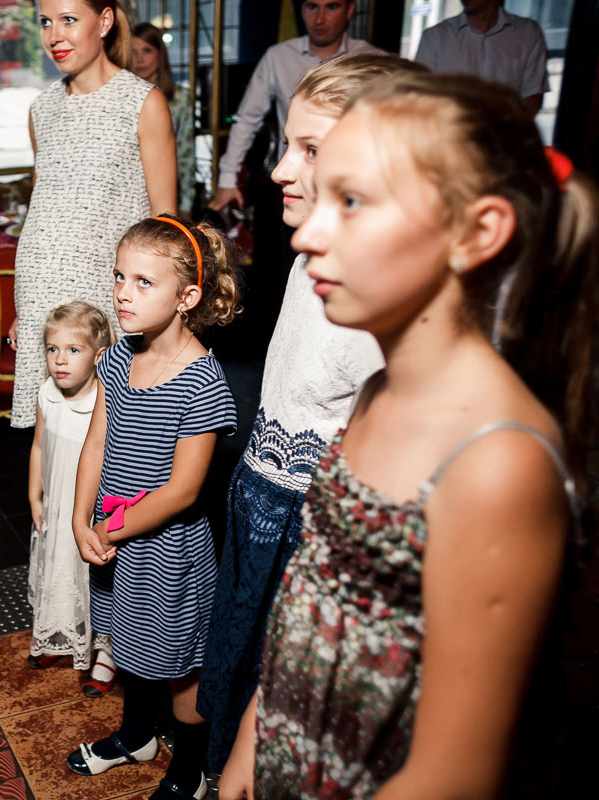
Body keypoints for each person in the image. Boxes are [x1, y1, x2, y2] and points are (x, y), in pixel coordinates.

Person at [218, 73, 596, 799]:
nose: (308, 233)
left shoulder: (498, 462)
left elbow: (454, 774)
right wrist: (253, 735)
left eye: (352, 202)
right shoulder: (374, 394)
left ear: (476, 232)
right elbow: (312, 599)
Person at [195, 53, 425, 775]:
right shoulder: (309, 257)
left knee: (286, 689)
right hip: (258, 492)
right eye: (285, 145)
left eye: (311, 150)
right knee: (237, 656)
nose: (278, 170)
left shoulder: (383, 307)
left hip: (311, 523)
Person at [65, 215, 241, 800]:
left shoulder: (202, 383)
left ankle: (190, 771)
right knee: (130, 642)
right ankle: (136, 736)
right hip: (115, 540)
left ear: (186, 298)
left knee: (180, 665)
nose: (123, 292)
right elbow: (96, 442)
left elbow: (181, 491)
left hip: (167, 552)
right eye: (120, 276)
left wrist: (108, 529)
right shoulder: (117, 358)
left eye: (144, 282)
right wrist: (79, 518)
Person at [9, 0, 177, 428]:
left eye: (69, 20)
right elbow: (46, 205)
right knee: (53, 438)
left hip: (106, 295)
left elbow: (166, 224)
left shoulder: (143, 102)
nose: (54, 36)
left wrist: (161, 315)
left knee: (111, 434)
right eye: (46, 22)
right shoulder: (41, 109)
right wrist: (24, 310)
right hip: (40, 295)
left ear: (104, 22)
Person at [210, 0, 380, 213]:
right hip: (292, 187)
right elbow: (246, 120)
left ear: (350, 10)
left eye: (332, 7)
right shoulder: (278, 57)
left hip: (350, 192)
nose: (319, 19)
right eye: (312, 7)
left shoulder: (373, 61)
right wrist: (227, 179)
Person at [26, 301, 117, 694]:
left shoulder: (103, 401)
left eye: (73, 350)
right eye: (53, 349)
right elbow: (38, 447)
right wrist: (35, 496)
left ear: (98, 355)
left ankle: (107, 652)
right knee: (59, 569)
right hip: (56, 506)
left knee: (95, 580)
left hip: (89, 512)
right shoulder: (47, 393)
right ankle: (59, 631)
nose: (60, 360)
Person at [415, 0, 548, 116]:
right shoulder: (435, 36)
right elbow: (417, 94)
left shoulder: (527, 32)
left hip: (505, 134)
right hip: (450, 133)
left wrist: (510, 131)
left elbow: (533, 94)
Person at [131, 23, 197, 216]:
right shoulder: (120, 98)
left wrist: (186, 205)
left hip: (165, 193)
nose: (139, 58)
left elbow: (186, 153)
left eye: (147, 50)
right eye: (133, 52)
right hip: (128, 194)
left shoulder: (179, 98)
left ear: (160, 55)